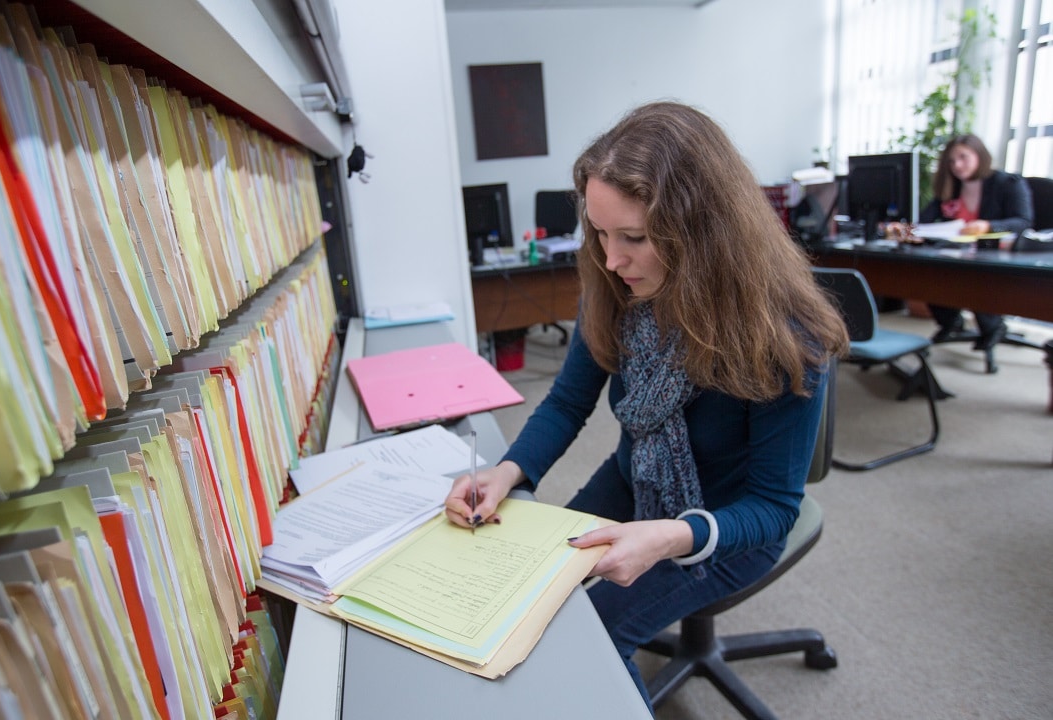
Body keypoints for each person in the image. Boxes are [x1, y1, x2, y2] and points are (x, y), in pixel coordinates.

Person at [443, 101, 849, 711]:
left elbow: (772, 508)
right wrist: (507, 472)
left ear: (704, 233)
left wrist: (671, 537)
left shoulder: (785, 335)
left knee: (588, 639)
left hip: (727, 524)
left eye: (632, 237)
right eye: (600, 234)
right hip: (634, 482)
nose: (610, 260)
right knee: (528, 591)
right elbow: (565, 403)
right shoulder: (616, 290)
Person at [920, 134, 1034, 349]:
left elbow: (1023, 221)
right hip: (956, 254)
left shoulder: (1007, 184)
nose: (957, 165)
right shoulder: (951, 188)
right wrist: (908, 229)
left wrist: (988, 226)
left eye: (963, 157)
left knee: (978, 279)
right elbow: (924, 221)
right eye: (952, 161)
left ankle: (993, 327)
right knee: (926, 273)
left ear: (979, 155)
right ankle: (951, 321)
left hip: (996, 256)